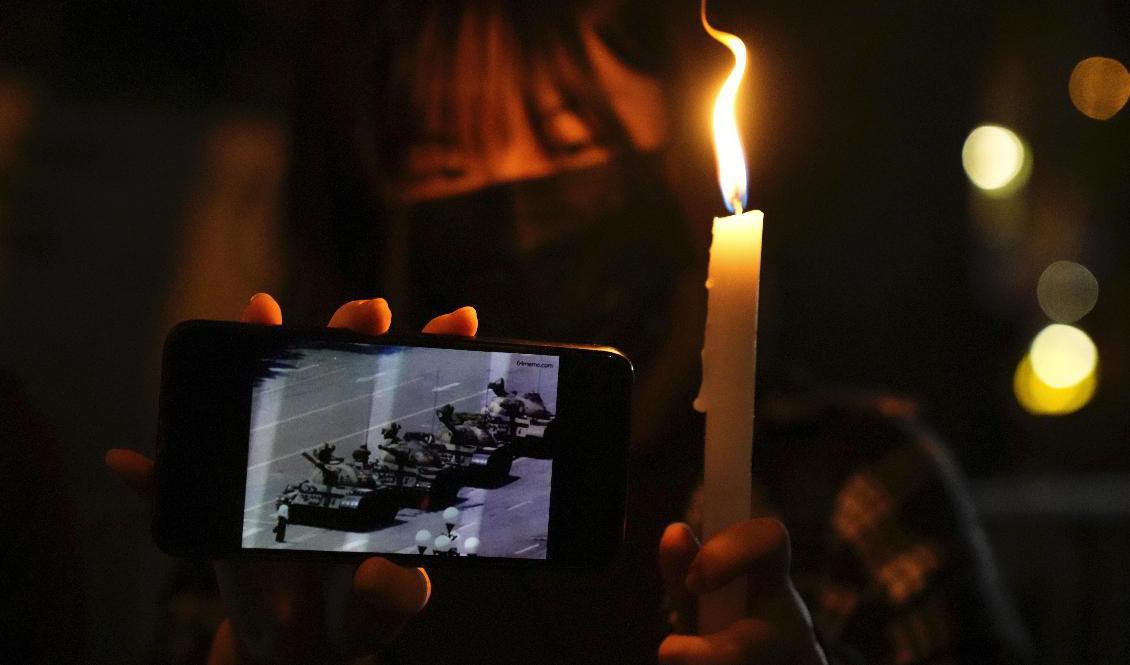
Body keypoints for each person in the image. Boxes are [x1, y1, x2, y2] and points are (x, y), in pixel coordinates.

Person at [111, 3, 1029, 663]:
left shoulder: (854, 495)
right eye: (449, 158)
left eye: (562, 135)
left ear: (666, 149)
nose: (514, 206)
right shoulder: (297, 509)